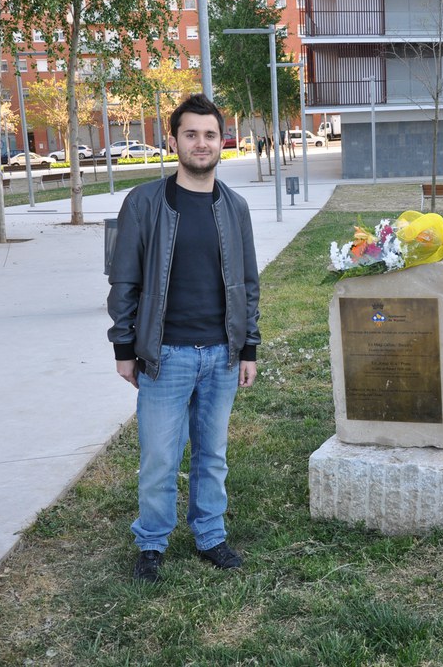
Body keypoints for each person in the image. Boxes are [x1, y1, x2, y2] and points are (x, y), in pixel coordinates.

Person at [107, 93, 261, 583]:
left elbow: (248, 283)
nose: (201, 143)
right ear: (173, 141)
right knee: (159, 456)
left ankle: (210, 535)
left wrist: (248, 347)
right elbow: (124, 280)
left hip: (221, 356)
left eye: (210, 134)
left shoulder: (235, 207)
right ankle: (152, 542)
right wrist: (124, 347)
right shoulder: (144, 203)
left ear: (222, 141)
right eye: (190, 134)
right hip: (165, 356)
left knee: (212, 455)